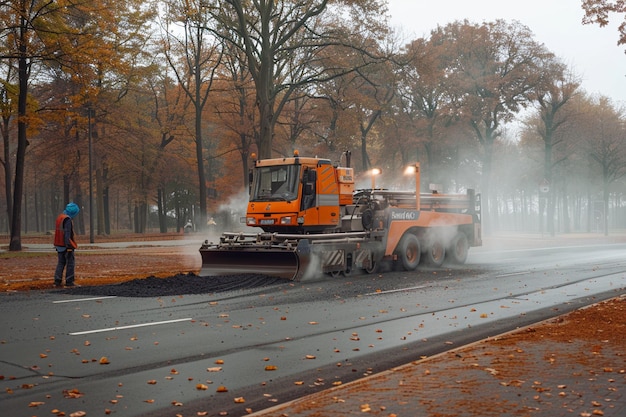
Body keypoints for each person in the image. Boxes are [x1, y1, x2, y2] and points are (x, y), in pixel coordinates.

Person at [54, 202, 80, 287]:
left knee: (61, 262)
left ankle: (57, 281)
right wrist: (69, 246)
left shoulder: (60, 217)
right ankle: (69, 281)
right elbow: (67, 234)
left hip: (58, 244)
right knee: (70, 263)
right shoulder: (67, 219)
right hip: (65, 245)